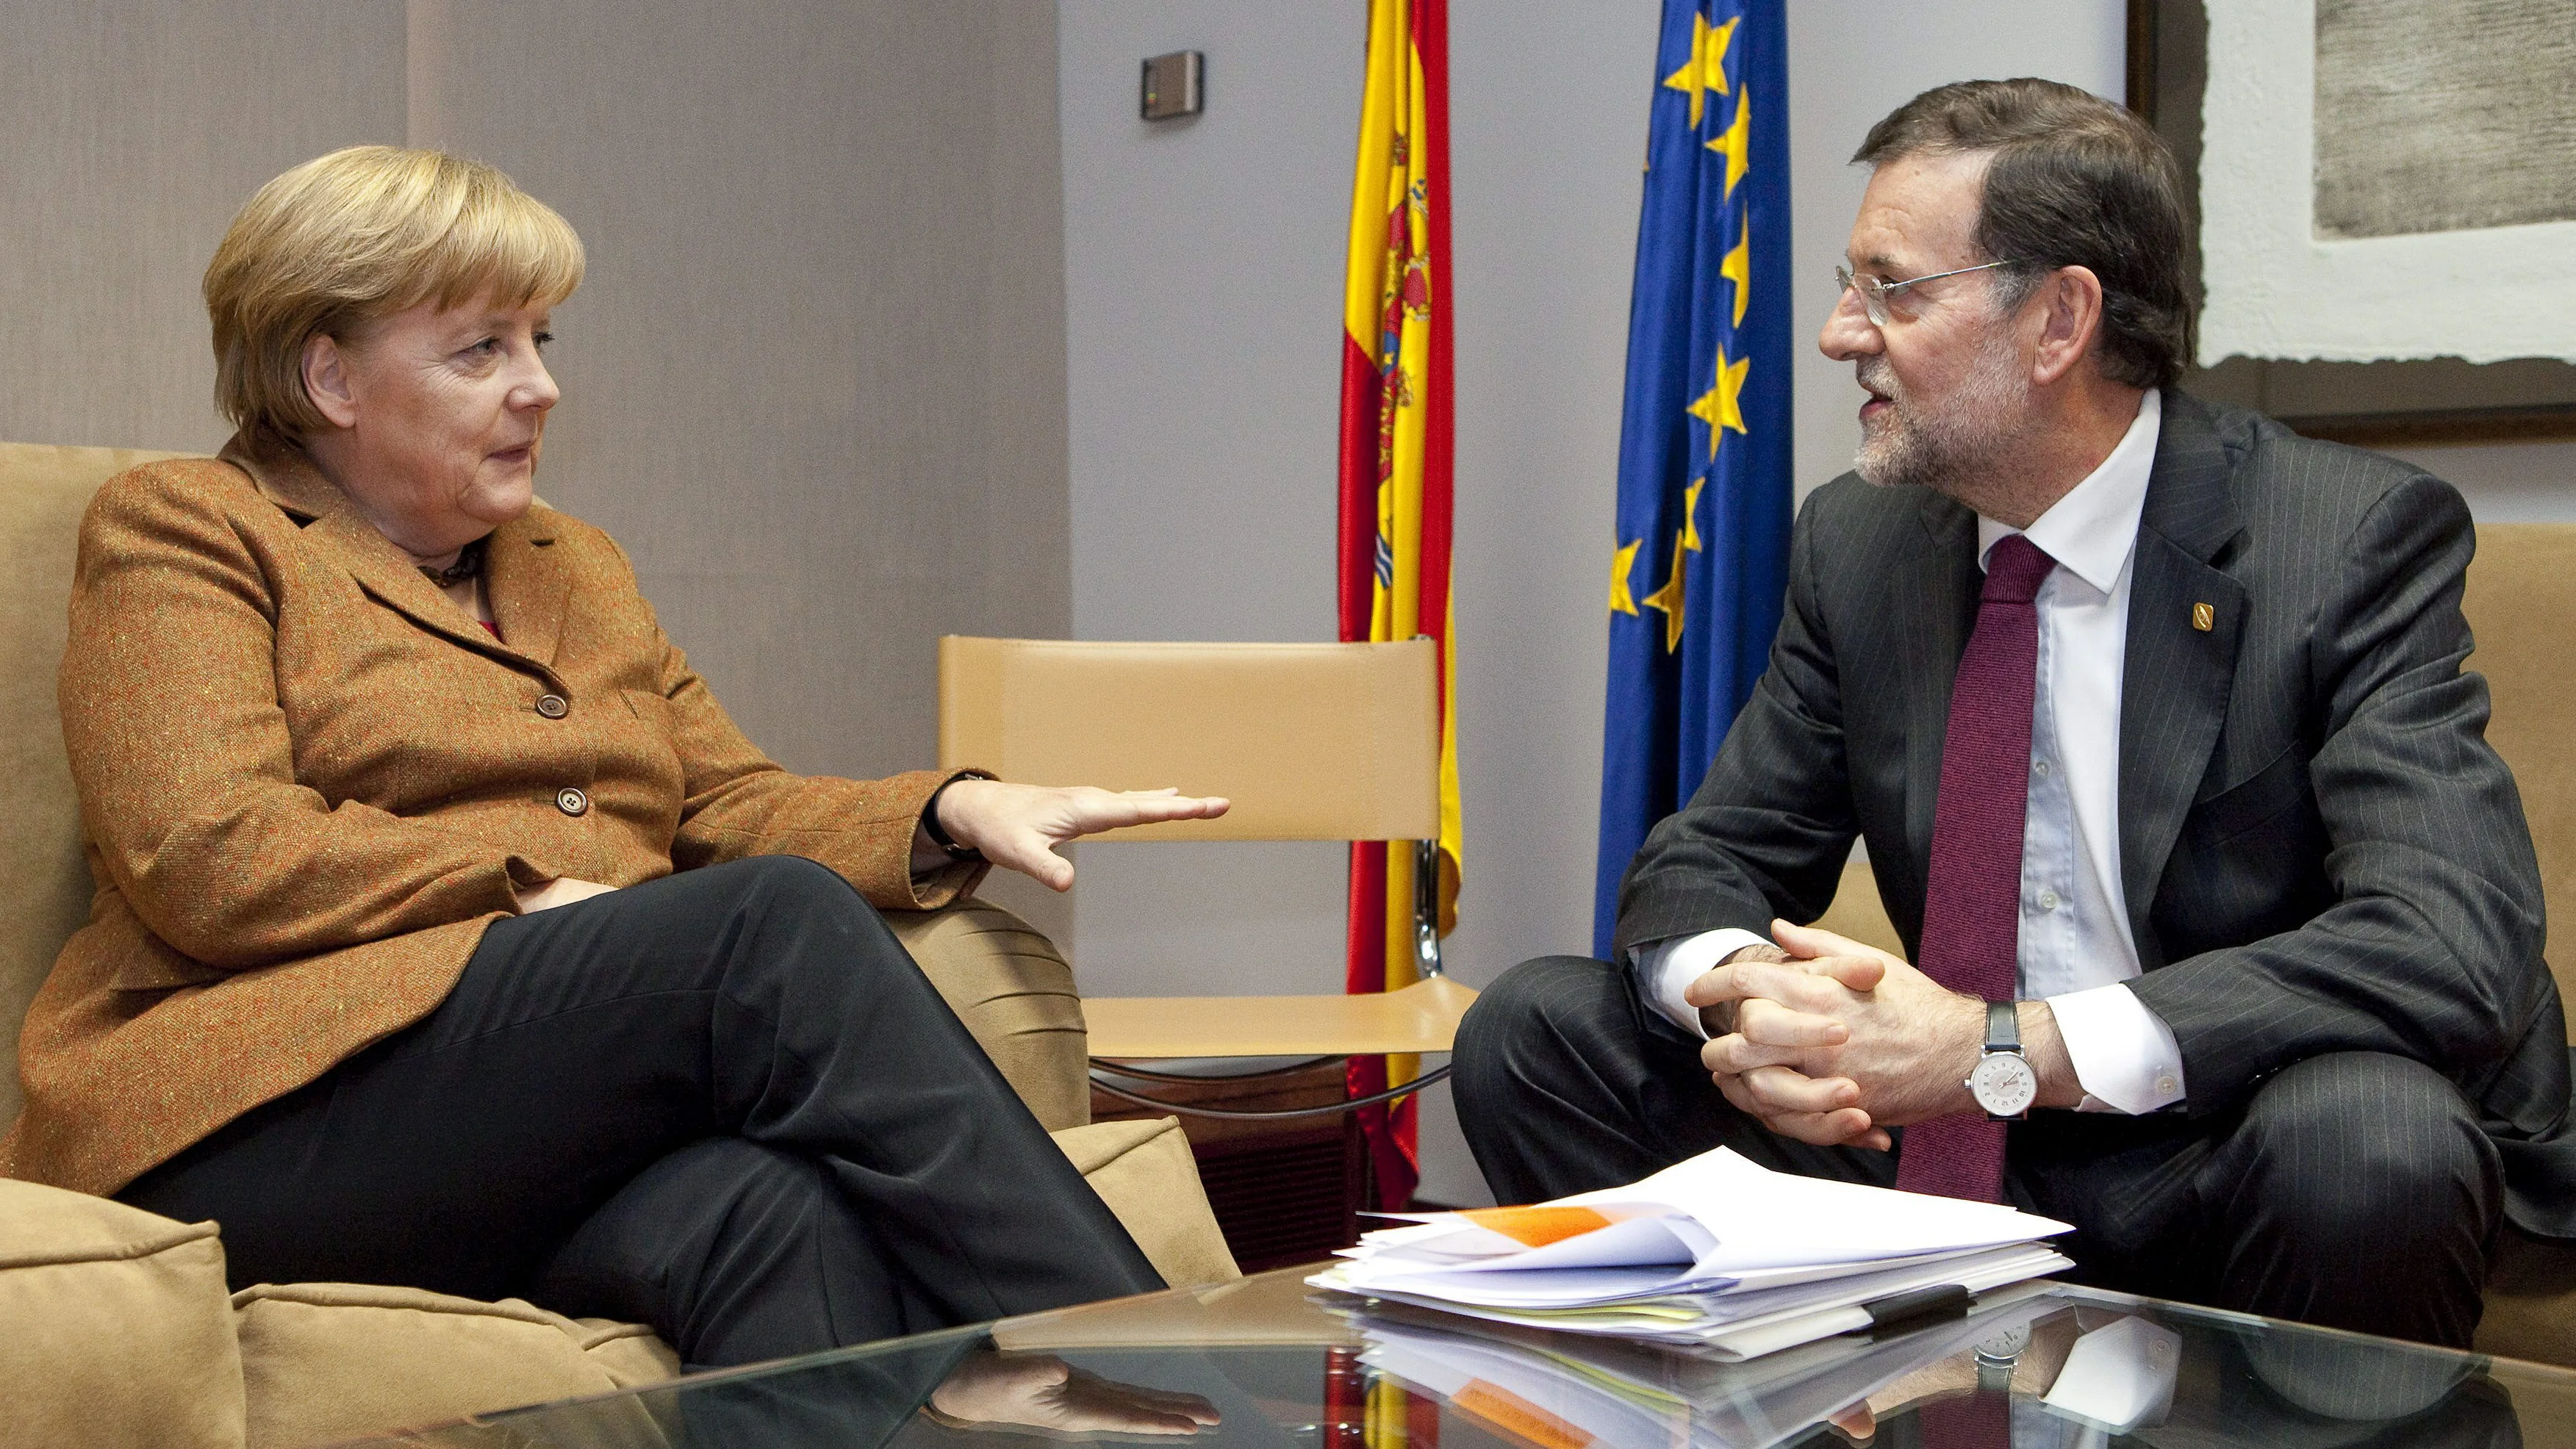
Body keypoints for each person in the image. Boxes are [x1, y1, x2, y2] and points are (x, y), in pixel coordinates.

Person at [0, 145, 1230, 1368]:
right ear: (331, 375)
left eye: (541, 341)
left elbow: (725, 798)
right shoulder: (191, 527)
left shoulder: (569, 561)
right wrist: (529, 890)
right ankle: (1173, 1378)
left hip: (507, 1118)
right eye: (481, 348)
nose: (537, 387)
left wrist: (954, 806)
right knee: (768, 931)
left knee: (767, 1221)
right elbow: (210, 853)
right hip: (248, 1119)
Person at [1456, 79, 2575, 1349]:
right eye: (1848, 284)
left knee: (2373, 1140)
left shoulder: (2344, 541)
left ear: (2058, 321)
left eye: (1892, 289)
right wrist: (1759, 999)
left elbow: (2448, 940)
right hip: (1921, 1144)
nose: (1838, 334)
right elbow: (1707, 857)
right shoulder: (1860, 541)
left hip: (2218, 1139)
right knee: (1536, 1029)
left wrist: (1999, 1049)